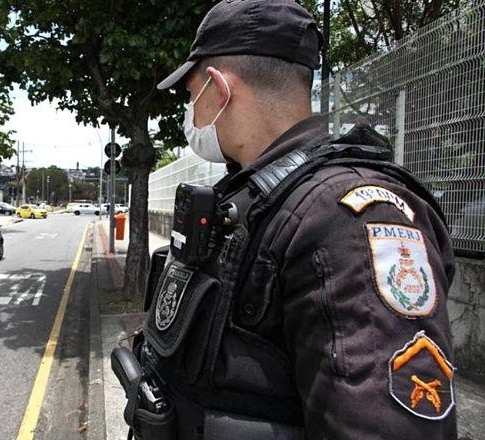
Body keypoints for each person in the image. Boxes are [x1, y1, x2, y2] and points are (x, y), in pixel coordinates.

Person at [122, 1, 457, 439]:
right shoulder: (256, 197)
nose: (192, 114)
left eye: (191, 96)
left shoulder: (347, 218)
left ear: (219, 90)